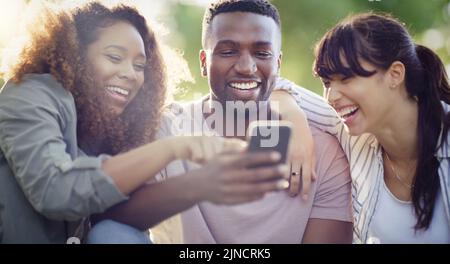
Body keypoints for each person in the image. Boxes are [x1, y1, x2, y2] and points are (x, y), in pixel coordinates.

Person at [0, 1, 266, 244]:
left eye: (140, 66)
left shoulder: (112, 126)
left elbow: (123, 221)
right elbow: (55, 192)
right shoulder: (31, 94)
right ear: (74, 55)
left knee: (113, 233)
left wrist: (286, 104)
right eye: (114, 57)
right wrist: (173, 149)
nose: (130, 74)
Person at [92, 0, 353, 244]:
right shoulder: (166, 127)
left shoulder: (322, 151)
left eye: (262, 53)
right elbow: (112, 217)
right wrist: (198, 184)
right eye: (228, 51)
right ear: (204, 62)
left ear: (278, 63)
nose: (246, 66)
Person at [272, 13, 450, 243]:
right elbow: (270, 85)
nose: (331, 97)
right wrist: (294, 121)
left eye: (345, 78)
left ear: (395, 74)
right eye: (327, 83)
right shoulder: (355, 136)